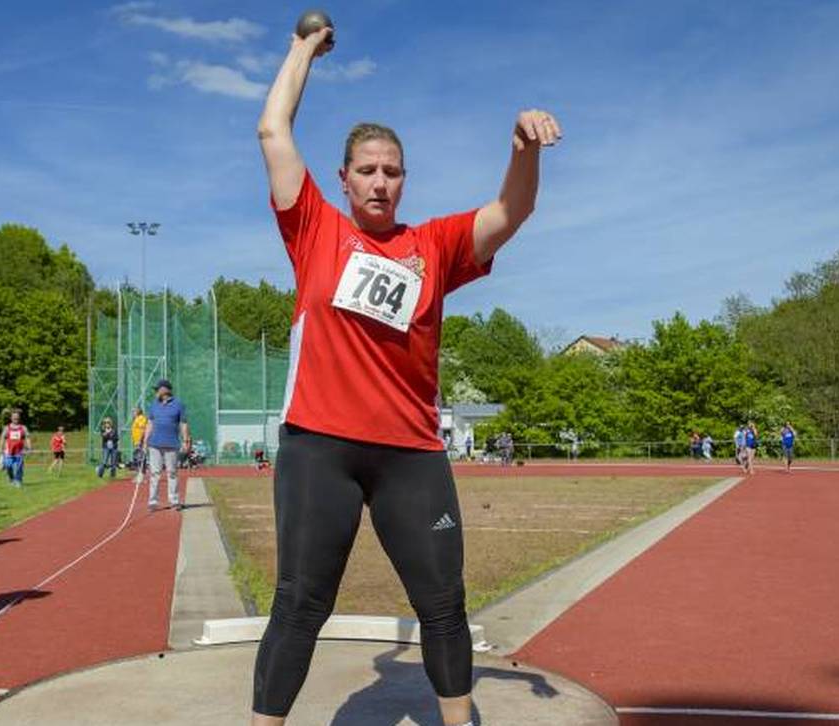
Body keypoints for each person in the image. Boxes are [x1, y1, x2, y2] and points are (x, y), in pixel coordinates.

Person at [251, 23, 560, 726]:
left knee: (443, 604)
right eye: (367, 169)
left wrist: (521, 150)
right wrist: (304, 50)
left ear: (404, 180)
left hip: (411, 454)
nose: (380, 181)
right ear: (344, 178)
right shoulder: (314, 229)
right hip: (318, 447)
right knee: (301, 603)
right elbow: (274, 131)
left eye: (392, 170)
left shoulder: (435, 245)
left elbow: (513, 211)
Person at [143, 379, 189, 511]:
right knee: (155, 473)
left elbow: (183, 424)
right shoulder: (153, 405)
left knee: (172, 473)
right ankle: (153, 501)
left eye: (157, 389)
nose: (156, 392)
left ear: (165, 390)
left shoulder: (179, 404)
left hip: (172, 444)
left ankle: (174, 501)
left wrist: (185, 441)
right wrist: (145, 441)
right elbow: (150, 423)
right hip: (154, 444)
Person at [0, 409, 30, 487]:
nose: (15, 419)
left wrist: (29, 448)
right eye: (14, 417)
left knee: (19, 467)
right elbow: (3, 438)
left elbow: (27, 438)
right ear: (11, 418)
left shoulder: (23, 428)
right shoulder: (7, 428)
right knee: (8, 466)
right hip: (9, 451)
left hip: (19, 451)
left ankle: (18, 481)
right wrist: (1, 448)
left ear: (19, 418)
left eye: (17, 417)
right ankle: (11, 478)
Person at [129, 406, 147, 483]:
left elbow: (143, 430)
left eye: (133, 411)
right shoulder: (136, 419)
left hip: (140, 442)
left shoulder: (141, 418)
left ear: (138, 411)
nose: (132, 413)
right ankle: (138, 475)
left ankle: (141, 476)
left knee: (141, 458)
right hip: (136, 442)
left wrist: (140, 440)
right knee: (137, 458)